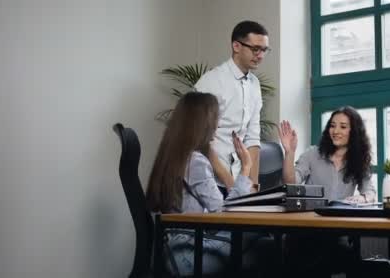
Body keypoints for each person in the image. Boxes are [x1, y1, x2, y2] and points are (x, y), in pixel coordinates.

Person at [146, 92, 255, 276]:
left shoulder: (174, 157)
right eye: (215, 119)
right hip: (188, 255)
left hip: (174, 251)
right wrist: (246, 168)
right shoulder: (195, 161)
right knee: (262, 241)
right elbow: (224, 215)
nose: (217, 125)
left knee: (260, 245)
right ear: (202, 123)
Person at [278, 106, 376, 278]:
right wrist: (289, 153)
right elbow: (290, 182)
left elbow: (370, 191)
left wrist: (362, 197)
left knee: (360, 264)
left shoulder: (360, 160)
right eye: (332, 125)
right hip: (307, 232)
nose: (336, 131)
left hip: (337, 234)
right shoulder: (312, 154)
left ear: (354, 132)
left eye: (343, 127)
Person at [194, 20, 271, 194]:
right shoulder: (211, 82)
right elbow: (201, 139)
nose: (260, 55)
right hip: (210, 180)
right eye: (255, 49)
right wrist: (231, 184)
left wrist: (253, 187)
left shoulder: (255, 85)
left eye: (264, 50)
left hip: (238, 179)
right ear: (236, 46)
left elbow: (252, 138)